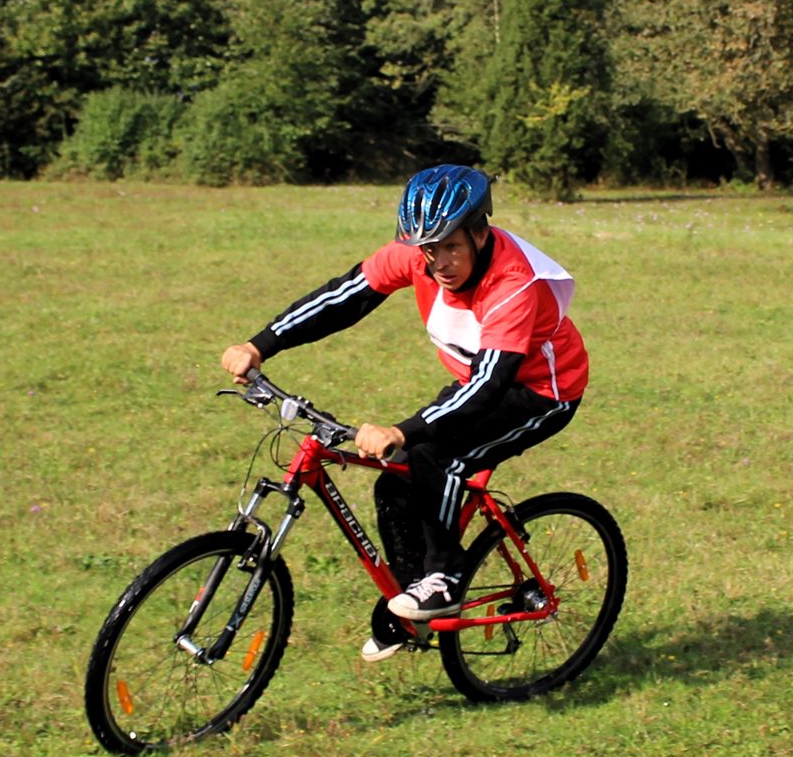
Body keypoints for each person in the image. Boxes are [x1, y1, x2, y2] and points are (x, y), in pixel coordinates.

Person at [220, 164, 588, 662]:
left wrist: (402, 430)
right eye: (429, 249)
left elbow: (490, 386)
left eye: (451, 246)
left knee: (436, 454)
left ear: (480, 234)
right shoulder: (418, 255)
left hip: (541, 391)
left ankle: (445, 578)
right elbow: (342, 298)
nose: (439, 262)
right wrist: (259, 345)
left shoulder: (512, 283)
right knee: (395, 483)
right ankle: (412, 607)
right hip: (475, 380)